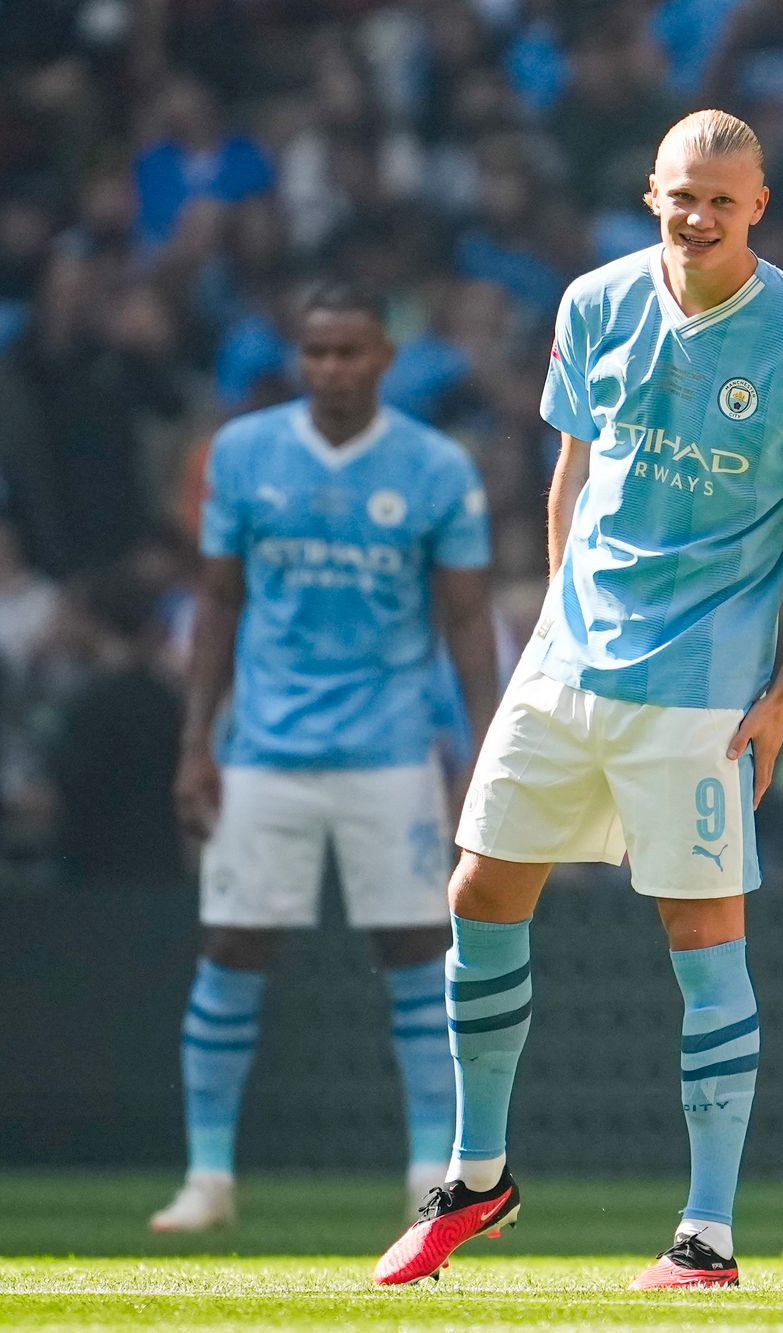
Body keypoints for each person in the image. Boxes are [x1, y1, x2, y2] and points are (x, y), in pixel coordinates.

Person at [372, 111, 783, 1290]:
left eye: (722, 200)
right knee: (480, 888)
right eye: (679, 196)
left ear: (759, 206)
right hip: (568, 666)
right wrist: (553, 622)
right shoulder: (594, 302)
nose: (698, 217)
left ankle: (705, 1234)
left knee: (700, 938)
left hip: (701, 687)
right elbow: (571, 470)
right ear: (648, 191)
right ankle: (478, 1173)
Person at [152, 283, 497, 1232]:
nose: (333, 369)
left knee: (420, 953)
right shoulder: (244, 453)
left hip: (391, 750)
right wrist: (198, 745)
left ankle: (435, 1174)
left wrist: (476, 750)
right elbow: (217, 603)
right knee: (233, 945)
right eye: (317, 353)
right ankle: (208, 1175)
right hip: (264, 747)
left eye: (351, 352)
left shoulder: (434, 467)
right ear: (298, 359)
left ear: (386, 358)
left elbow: (467, 617)